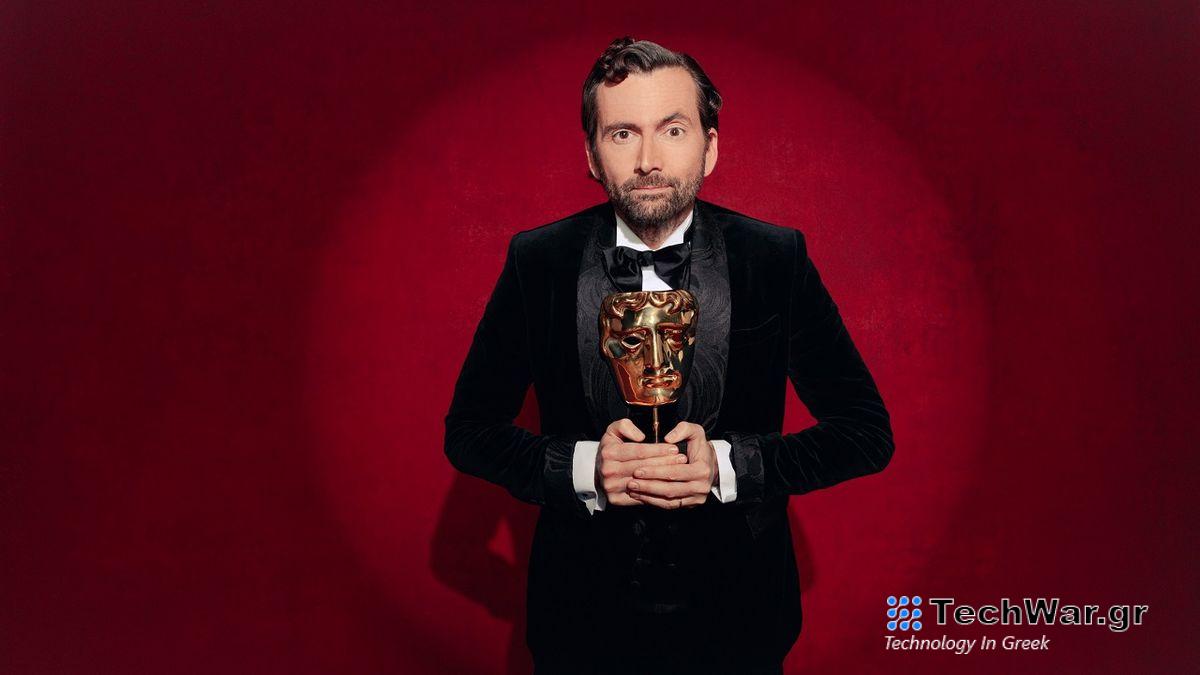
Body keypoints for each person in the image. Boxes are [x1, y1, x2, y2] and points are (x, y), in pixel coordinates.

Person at [444, 36, 894, 674]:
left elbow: (866, 433)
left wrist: (731, 468)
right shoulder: (536, 262)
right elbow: (468, 432)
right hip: (579, 626)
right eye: (622, 133)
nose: (650, 159)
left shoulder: (775, 259)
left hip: (742, 624)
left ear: (710, 146)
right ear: (593, 156)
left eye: (673, 129)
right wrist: (582, 469)